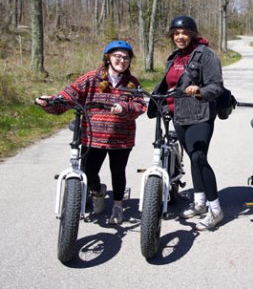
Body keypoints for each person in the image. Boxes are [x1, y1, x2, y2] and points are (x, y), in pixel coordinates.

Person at [35, 40, 147, 225]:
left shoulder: (132, 83)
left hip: (121, 139)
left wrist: (124, 107)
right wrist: (52, 101)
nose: (122, 60)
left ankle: (118, 205)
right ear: (108, 58)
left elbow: (140, 105)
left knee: (118, 172)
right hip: (92, 137)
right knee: (88, 172)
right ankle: (97, 191)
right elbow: (69, 95)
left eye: (126, 58)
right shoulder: (90, 78)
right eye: (117, 56)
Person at [149, 15, 224, 231]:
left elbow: (216, 86)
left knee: (200, 158)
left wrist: (199, 90)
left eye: (184, 33)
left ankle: (216, 209)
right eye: (176, 33)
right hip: (178, 115)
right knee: (192, 157)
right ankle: (200, 202)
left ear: (192, 34)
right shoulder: (174, 58)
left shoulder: (206, 55)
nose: (180, 37)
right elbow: (168, 85)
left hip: (200, 114)